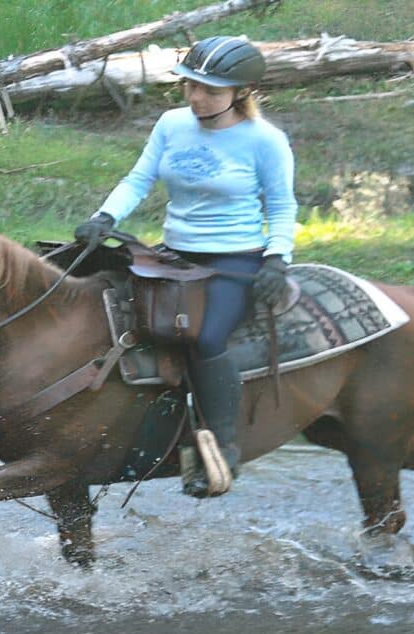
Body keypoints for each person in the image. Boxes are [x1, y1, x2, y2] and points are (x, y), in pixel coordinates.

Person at [74, 35, 297, 498]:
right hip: (175, 255)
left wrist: (277, 258)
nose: (196, 98)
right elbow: (139, 179)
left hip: (234, 260)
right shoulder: (172, 124)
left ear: (240, 92)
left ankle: (223, 446)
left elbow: (281, 206)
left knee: (206, 337)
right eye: (190, 86)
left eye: (210, 91)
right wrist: (105, 217)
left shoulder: (265, 141)